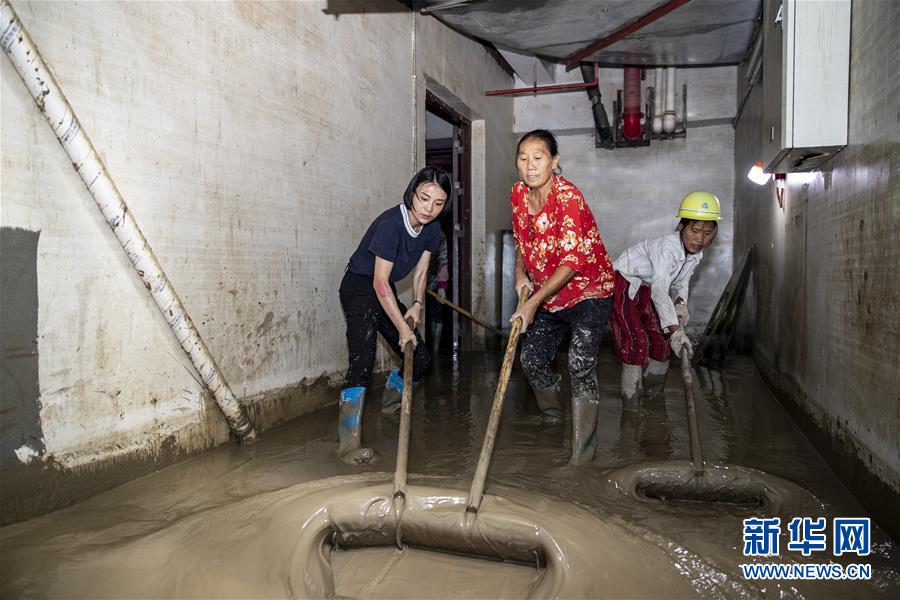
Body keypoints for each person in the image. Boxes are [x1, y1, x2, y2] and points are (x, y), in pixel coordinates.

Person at [509, 129, 616, 466]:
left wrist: (532, 303)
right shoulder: (518, 193)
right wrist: (520, 275)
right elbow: (522, 241)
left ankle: (582, 454)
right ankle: (554, 415)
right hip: (549, 294)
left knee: (580, 364)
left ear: (554, 161)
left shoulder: (568, 197)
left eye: (538, 157)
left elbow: (572, 263)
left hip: (588, 291)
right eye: (523, 158)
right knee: (530, 360)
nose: (530, 165)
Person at [337, 166, 451, 465]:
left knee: (421, 358)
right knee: (362, 361)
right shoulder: (391, 224)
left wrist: (417, 304)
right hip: (360, 287)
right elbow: (379, 282)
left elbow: (422, 271)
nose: (429, 209)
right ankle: (347, 444)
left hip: (383, 290)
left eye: (438, 203)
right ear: (412, 192)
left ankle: (389, 409)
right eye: (424, 198)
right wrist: (402, 327)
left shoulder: (431, 228)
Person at [610, 191, 720, 409]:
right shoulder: (667, 249)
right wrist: (676, 331)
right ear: (681, 227)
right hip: (625, 282)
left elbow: (681, 282)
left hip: (647, 288)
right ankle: (631, 405)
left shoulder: (695, 254)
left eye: (707, 233)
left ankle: (652, 397)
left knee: (662, 343)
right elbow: (660, 292)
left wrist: (680, 305)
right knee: (636, 341)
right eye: (695, 230)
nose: (700, 239)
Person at [425, 229, 449, 355]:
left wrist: (441, 287)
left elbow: (443, 261)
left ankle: (435, 351)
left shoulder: (441, 236)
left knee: (436, 316)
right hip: (416, 281)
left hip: (434, 283)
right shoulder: (418, 232)